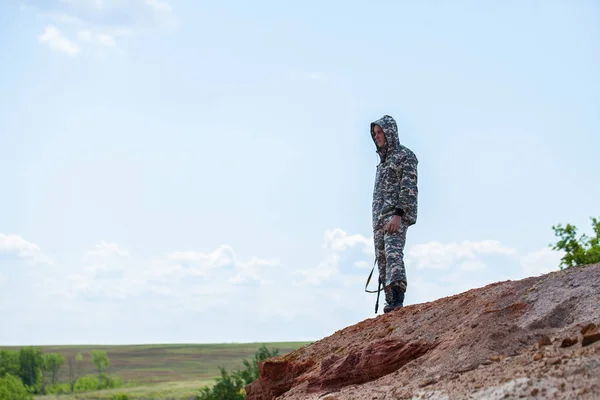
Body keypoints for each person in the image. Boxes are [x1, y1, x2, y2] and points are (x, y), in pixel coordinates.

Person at [370, 115, 418, 313]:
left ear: (390, 132)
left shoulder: (405, 156)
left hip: (396, 216)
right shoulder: (382, 163)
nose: (377, 136)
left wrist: (399, 213)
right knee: (382, 260)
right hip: (379, 220)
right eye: (374, 133)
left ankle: (398, 298)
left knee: (393, 254)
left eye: (380, 132)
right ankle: (390, 303)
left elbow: (408, 187)